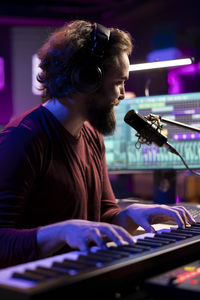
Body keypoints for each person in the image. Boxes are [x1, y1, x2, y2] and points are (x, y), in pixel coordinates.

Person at [0, 20, 195, 268]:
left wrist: (130, 214)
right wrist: (58, 232)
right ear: (87, 80)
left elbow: (102, 219)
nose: (123, 94)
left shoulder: (91, 135)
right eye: (118, 82)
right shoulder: (22, 139)